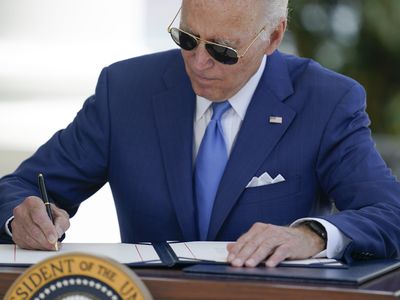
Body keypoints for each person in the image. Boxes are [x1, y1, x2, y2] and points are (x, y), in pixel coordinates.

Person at [0, 0, 399, 268]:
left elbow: (389, 214)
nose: (200, 62)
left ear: (273, 37)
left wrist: (313, 234)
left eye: (224, 50)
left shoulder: (326, 100)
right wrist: (23, 218)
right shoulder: (125, 90)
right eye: (187, 40)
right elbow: (18, 188)